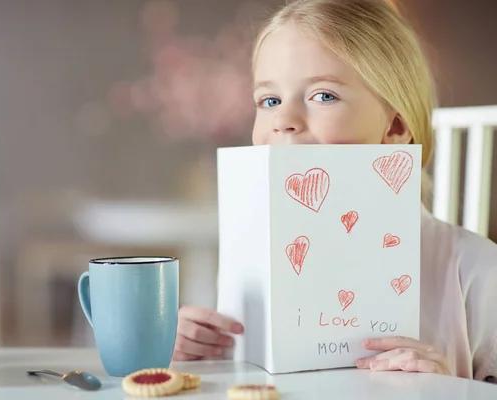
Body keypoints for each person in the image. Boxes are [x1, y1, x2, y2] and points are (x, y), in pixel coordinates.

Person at [172, 0, 497, 382]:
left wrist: (451, 388)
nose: (284, 120)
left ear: (394, 127)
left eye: (323, 95)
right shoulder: (255, 260)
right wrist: (193, 349)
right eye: (269, 100)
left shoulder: (476, 271)